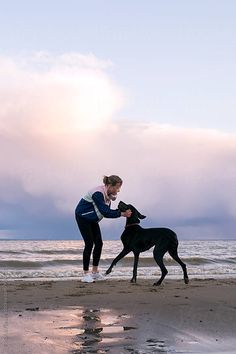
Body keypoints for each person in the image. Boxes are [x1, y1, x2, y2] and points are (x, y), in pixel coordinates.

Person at [75, 175, 132, 283]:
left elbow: (106, 212)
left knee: (99, 244)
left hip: (91, 219)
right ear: (110, 185)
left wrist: (119, 212)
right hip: (82, 217)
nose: (118, 190)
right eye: (117, 188)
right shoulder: (98, 193)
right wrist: (122, 214)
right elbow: (105, 212)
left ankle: (95, 273)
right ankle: (85, 274)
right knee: (89, 244)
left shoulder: (108, 195)